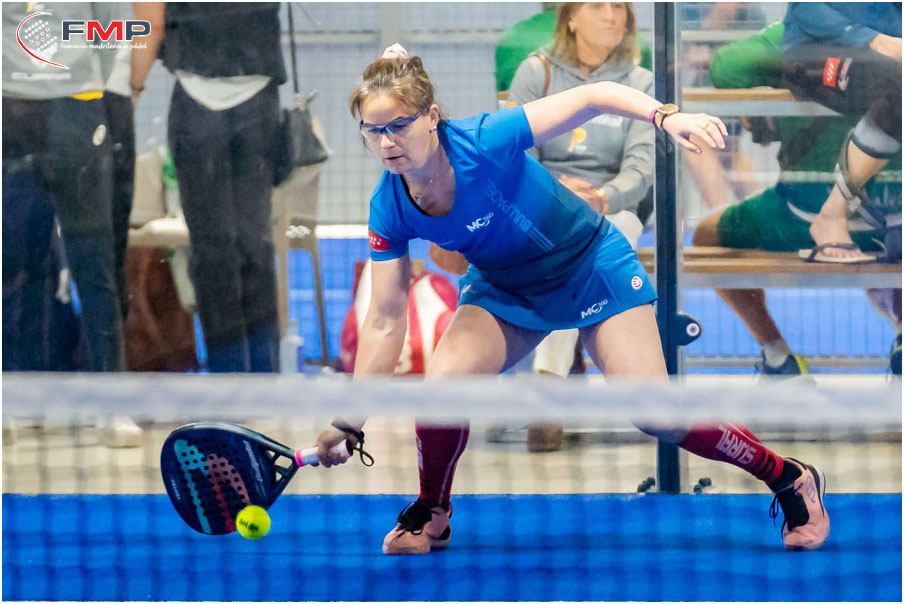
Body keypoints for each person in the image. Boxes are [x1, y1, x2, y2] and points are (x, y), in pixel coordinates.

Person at [314, 44, 829, 555]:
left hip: (590, 265)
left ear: (432, 117)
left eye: (398, 125)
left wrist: (666, 117)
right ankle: (432, 508)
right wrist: (350, 417)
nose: (387, 142)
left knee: (656, 413)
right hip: (505, 286)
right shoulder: (388, 206)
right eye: (373, 131)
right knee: (441, 392)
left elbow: (593, 96)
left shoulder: (483, 139)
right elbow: (385, 321)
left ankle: (788, 476)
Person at [693, 22, 902, 378]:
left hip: (802, 214)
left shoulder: (799, 32)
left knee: (706, 237)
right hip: (893, 212)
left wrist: (781, 76)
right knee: (886, 245)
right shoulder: (892, 30)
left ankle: (777, 357)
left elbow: (727, 65)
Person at [131, 3, 285, 372]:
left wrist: (134, 88)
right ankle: (259, 373)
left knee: (219, 251)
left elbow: (151, 22)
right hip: (238, 96)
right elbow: (151, 22)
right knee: (248, 247)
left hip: (213, 97)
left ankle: (232, 373)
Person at [508, 2, 653, 386]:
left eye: (620, 6)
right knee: (564, 243)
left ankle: (549, 377)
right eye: (598, 5)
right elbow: (516, 155)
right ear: (570, 18)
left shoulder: (640, 83)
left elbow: (641, 168)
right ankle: (560, 373)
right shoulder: (535, 72)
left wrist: (603, 198)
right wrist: (556, 194)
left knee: (598, 241)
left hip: (612, 208)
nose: (612, 15)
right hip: (544, 204)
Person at [3, 3, 126, 373]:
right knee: (17, 261)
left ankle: (108, 393)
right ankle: (17, 388)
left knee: (90, 259)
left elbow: (112, 25)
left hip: (64, 105)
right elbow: (111, 26)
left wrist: (81, 78)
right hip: (24, 106)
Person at [781, 2, 901, 262]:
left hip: (887, 54)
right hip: (816, 50)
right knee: (898, 85)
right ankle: (831, 215)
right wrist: (873, 39)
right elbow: (805, 7)